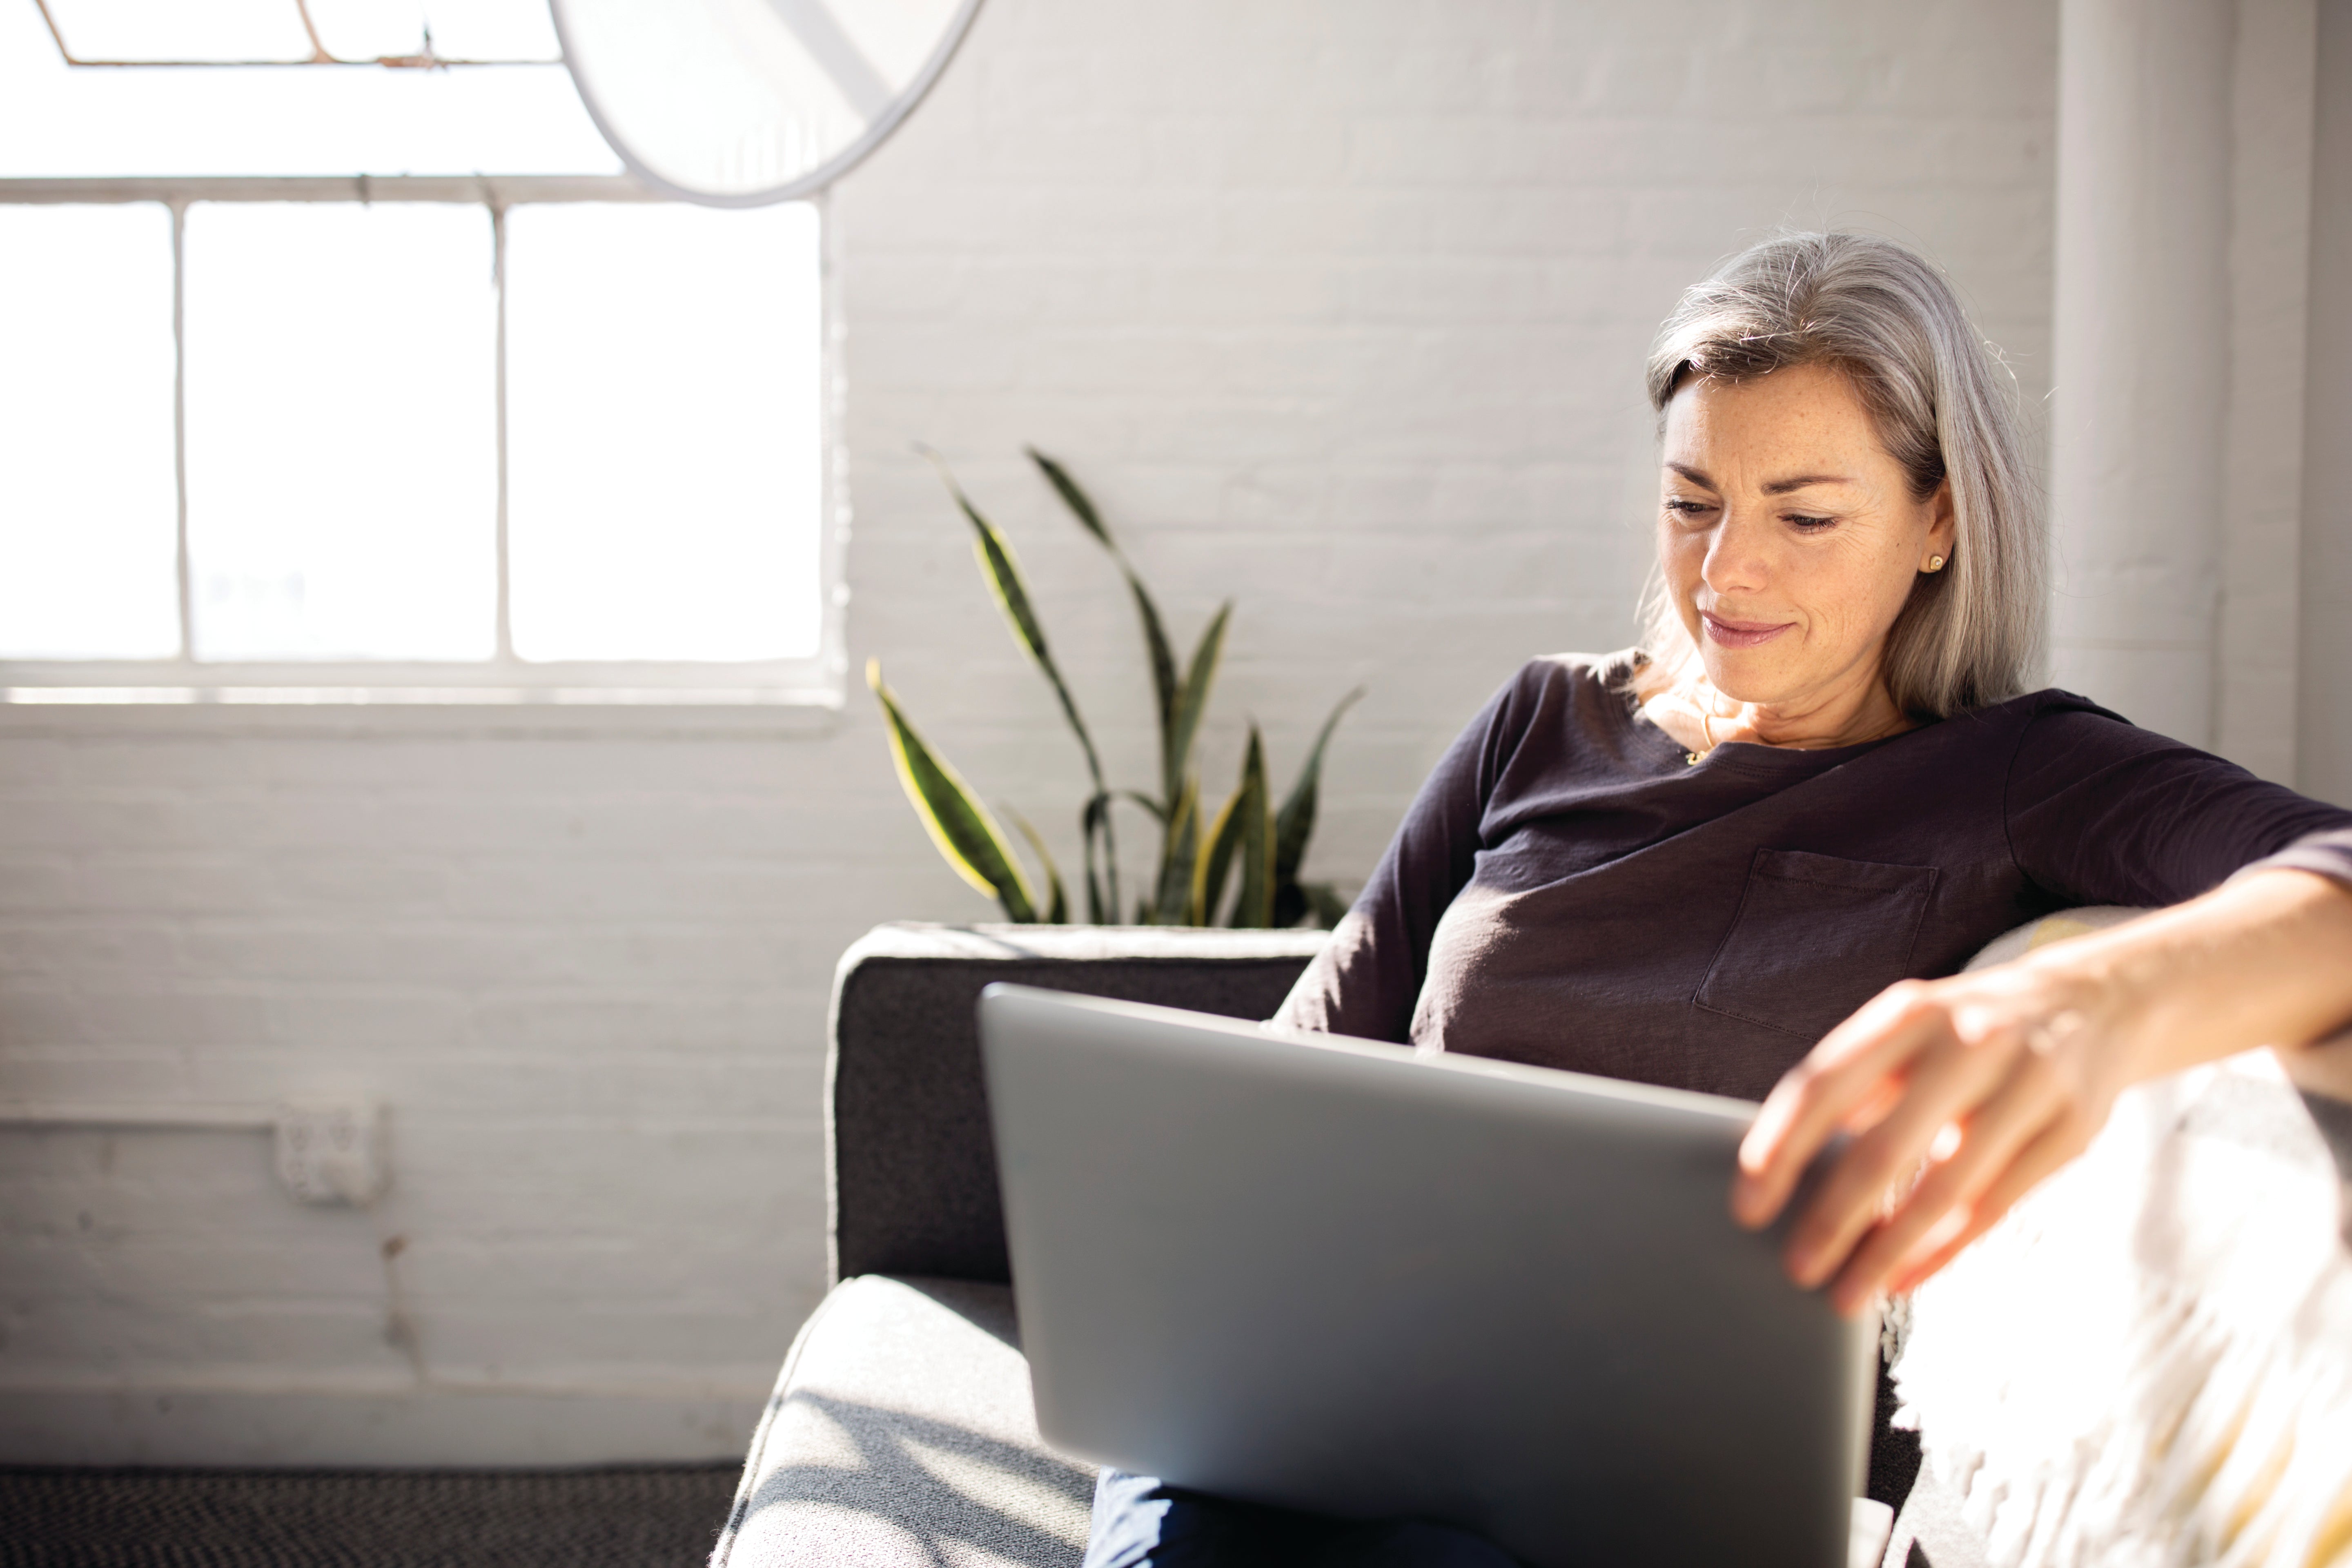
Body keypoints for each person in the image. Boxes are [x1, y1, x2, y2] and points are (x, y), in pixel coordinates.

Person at [1081, 231, 2352, 1568]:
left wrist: (2085, 1006)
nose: (1727, 572)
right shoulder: (1544, 716)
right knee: (1179, 1498)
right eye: (1693, 502)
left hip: (1631, 1485)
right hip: (1344, 1387)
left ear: (1940, 522)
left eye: (1804, 516)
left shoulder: (2017, 771)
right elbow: (1306, 1065)